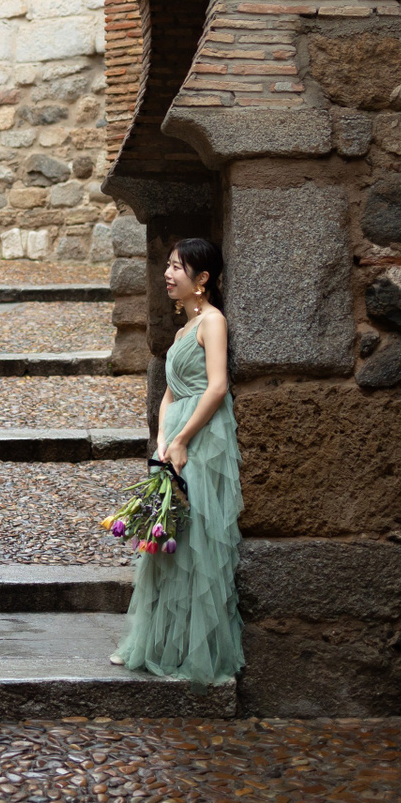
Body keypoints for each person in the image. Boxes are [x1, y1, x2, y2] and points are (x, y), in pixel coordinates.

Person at [112, 237, 244, 686]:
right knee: (165, 538)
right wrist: (163, 439)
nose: (167, 274)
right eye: (167, 265)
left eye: (177, 267)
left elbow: (217, 386)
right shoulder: (182, 330)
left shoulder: (213, 322)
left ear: (201, 279)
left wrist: (184, 439)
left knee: (195, 539)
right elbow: (169, 393)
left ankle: (194, 652)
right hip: (174, 440)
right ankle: (157, 643)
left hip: (202, 439)